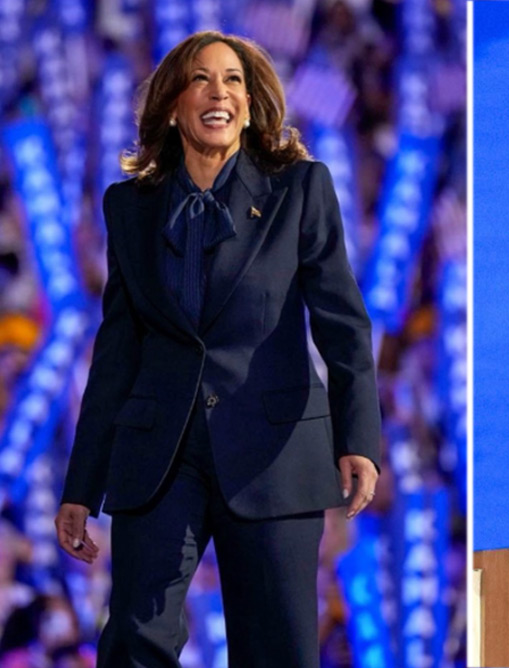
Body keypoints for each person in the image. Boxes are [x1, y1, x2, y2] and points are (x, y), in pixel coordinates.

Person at [52, 31, 380, 667]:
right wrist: (80, 486)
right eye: (200, 79)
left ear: (251, 106)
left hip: (273, 449)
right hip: (160, 456)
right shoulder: (130, 208)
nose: (218, 92)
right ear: (174, 104)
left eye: (233, 80)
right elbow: (117, 350)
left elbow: (343, 322)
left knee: (277, 651)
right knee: (134, 641)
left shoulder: (300, 189)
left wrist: (359, 437)